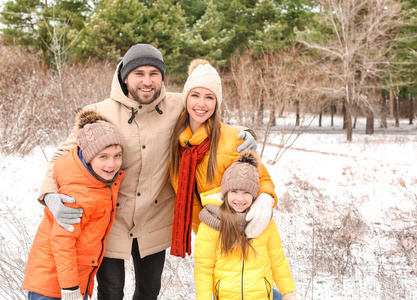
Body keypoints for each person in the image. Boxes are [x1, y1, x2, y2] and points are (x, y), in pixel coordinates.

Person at [38, 44, 258, 300]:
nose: (147, 81)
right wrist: (49, 194)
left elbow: (209, 118)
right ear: (125, 76)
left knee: (149, 290)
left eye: (154, 73)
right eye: (139, 73)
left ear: (162, 77)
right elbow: (61, 156)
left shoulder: (177, 106)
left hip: (155, 217)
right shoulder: (100, 113)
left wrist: (246, 135)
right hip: (112, 220)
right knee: (111, 291)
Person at [169, 59, 277, 259]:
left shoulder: (234, 140)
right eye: (195, 95)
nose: (201, 104)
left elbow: (261, 179)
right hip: (208, 238)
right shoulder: (177, 144)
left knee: (258, 290)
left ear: (217, 103)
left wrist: (264, 201)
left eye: (209, 97)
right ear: (186, 98)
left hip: (242, 237)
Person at [23, 109, 125, 300]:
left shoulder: (97, 182)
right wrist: (70, 288)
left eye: (117, 155)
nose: (112, 164)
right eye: (103, 156)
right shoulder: (79, 192)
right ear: (87, 157)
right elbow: (63, 242)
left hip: (72, 281)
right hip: (54, 286)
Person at [194, 150, 297, 300]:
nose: (239, 199)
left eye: (246, 192)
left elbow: (277, 260)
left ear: (254, 194)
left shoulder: (264, 222)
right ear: (225, 192)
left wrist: (288, 292)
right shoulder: (211, 223)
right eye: (234, 191)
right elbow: (204, 268)